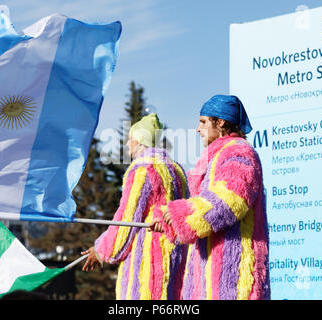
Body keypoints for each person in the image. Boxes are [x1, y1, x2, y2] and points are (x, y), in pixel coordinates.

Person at [150, 95, 270, 300]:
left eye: (203, 122)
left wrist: (180, 215)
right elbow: (196, 206)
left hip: (233, 276)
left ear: (220, 122)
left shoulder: (239, 151)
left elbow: (231, 198)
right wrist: (168, 218)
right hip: (207, 273)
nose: (198, 129)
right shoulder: (211, 158)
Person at [81, 113, 189, 300]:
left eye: (130, 139)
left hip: (149, 264)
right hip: (177, 261)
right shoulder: (177, 170)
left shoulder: (143, 169)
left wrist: (100, 251)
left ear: (140, 141)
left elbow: (127, 218)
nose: (127, 145)